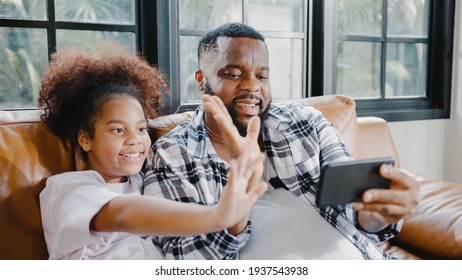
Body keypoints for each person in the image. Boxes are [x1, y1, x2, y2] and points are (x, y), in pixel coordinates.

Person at [143, 22, 420, 260]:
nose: (252, 86)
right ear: (202, 79)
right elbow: (179, 259)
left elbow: (354, 213)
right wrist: (238, 201)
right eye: (234, 74)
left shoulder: (307, 123)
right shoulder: (171, 153)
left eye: (262, 75)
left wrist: (379, 214)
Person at [38, 48, 267, 260]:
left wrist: (243, 182)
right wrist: (214, 216)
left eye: (141, 129)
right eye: (118, 130)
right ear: (85, 138)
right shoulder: (69, 189)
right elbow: (124, 214)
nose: (135, 140)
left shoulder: (146, 181)